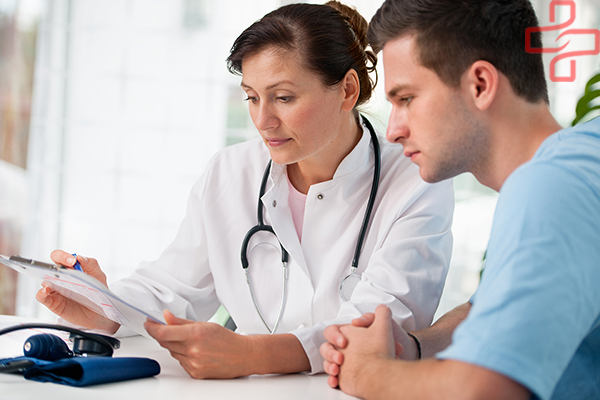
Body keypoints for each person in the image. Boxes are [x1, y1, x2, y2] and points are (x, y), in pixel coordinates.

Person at [37, 1, 454, 379]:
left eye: (284, 98)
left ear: (347, 90)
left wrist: (253, 355)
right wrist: (103, 307)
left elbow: (383, 328)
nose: (263, 120)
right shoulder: (229, 173)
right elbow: (173, 288)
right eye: (252, 97)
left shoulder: (416, 179)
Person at [320, 0, 600, 399]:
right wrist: (413, 346)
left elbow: (482, 391)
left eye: (406, 99)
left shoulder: (550, 188)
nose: (394, 130)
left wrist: (366, 371)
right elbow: (493, 308)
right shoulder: (583, 156)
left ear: (480, 85)